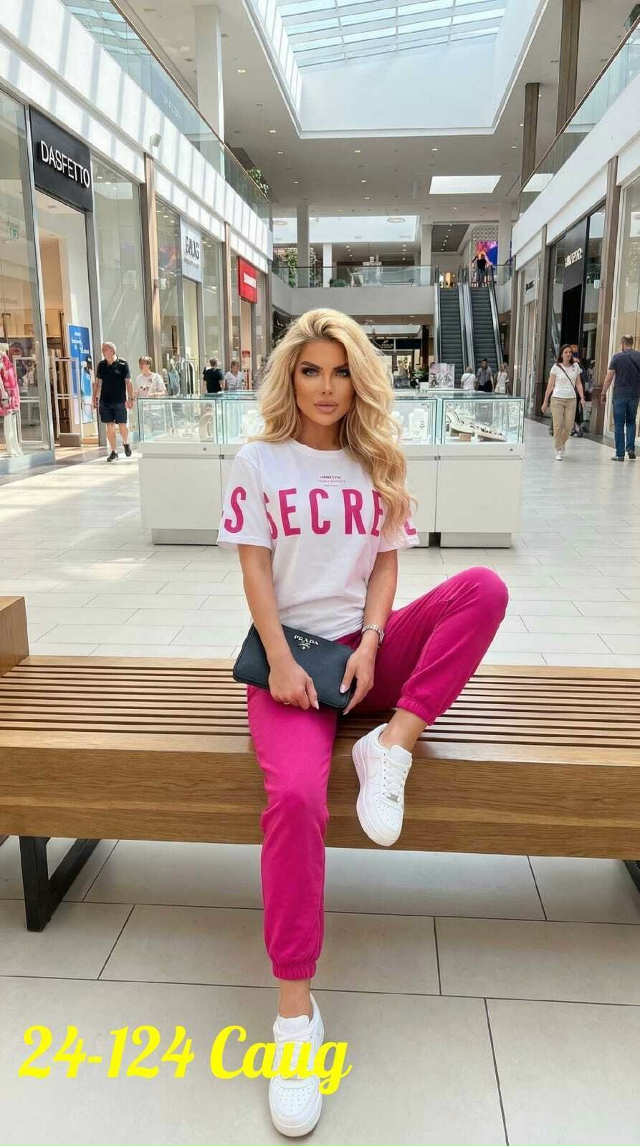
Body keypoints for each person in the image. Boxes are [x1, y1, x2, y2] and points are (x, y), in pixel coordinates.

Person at [218, 307, 508, 1138]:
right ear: (290, 377)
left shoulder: (375, 459)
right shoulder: (258, 460)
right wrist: (279, 661)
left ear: (360, 381)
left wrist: (375, 644)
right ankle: (295, 1019)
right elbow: (255, 571)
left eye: (341, 371)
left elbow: (383, 567)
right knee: (296, 801)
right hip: (292, 666)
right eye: (311, 370)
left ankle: (392, 748)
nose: (326, 387)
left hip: (364, 658)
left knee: (483, 590)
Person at [541, 344, 586, 461]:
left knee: (569, 426)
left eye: (570, 352)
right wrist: (545, 401)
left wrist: (582, 397)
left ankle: (562, 443)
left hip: (571, 399)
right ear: (561, 354)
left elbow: (578, 383)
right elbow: (550, 385)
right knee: (558, 425)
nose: (568, 354)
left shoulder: (575, 366)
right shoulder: (555, 368)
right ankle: (558, 449)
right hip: (557, 399)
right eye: (566, 352)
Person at [600, 335, 640, 461]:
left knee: (619, 424)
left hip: (620, 395)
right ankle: (631, 448)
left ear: (622, 344)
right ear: (632, 343)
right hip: (634, 395)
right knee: (631, 421)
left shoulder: (617, 357)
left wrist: (603, 393)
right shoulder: (639, 356)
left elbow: (609, 377)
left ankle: (620, 454)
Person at [93, 341, 133, 462]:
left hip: (120, 400)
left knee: (122, 426)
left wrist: (130, 398)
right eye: (102, 349)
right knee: (109, 427)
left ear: (112, 351)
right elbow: (97, 383)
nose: (102, 352)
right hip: (105, 401)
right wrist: (94, 398)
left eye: (105, 349)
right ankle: (114, 451)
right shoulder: (101, 365)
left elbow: (128, 382)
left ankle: (125, 443)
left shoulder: (122, 364)